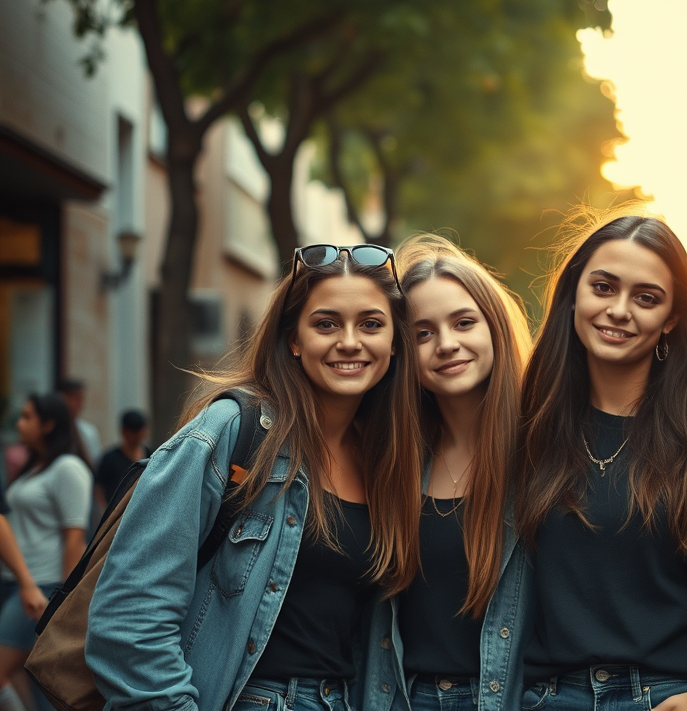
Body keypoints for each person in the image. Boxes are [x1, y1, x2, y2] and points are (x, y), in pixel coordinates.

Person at [85, 243, 423, 711]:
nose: (350, 341)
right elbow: (128, 618)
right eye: (326, 323)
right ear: (293, 339)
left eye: (371, 324)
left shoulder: (385, 459)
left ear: (394, 340)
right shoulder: (233, 431)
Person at [514, 207, 687, 711]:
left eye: (646, 298)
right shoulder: (527, 427)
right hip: (551, 699)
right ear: (574, 293)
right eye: (603, 287)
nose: (620, 310)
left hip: (681, 696)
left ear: (671, 319)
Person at [363, 234, 533, 711]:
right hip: (403, 696)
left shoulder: (545, 453)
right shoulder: (388, 461)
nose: (447, 344)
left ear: (494, 328)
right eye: (423, 333)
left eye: (463, 322)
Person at [0, 393, 92, 711]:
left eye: (27, 417)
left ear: (48, 424)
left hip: (41, 586)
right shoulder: (34, 467)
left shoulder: (68, 468)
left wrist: (62, 601)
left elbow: (74, 537)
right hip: (16, 582)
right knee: (36, 683)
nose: (19, 423)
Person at [94, 409, 151, 509]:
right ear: (124, 431)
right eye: (133, 432)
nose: (137, 436)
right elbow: (99, 490)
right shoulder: (109, 459)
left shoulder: (151, 455)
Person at [57, 379, 102, 465]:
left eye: (82, 399)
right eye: (76, 398)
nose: (80, 404)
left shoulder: (89, 431)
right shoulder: (51, 428)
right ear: (63, 398)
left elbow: (95, 462)